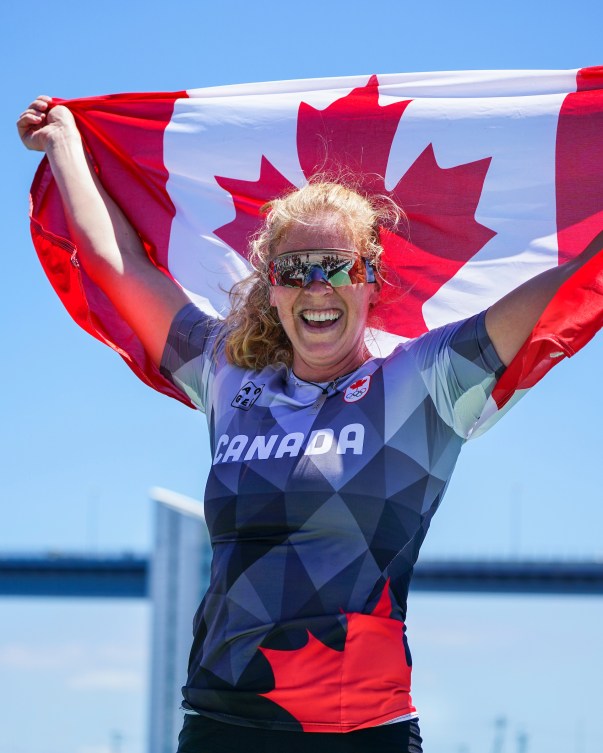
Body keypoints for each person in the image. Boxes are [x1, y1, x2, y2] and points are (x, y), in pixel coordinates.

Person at [18, 96, 602, 753]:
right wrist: (65, 142)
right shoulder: (227, 374)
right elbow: (115, 264)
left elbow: (570, 283)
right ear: (270, 286)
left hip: (362, 734)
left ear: (371, 279)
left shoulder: (425, 381)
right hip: (219, 726)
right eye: (295, 271)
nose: (316, 287)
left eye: (338, 268)